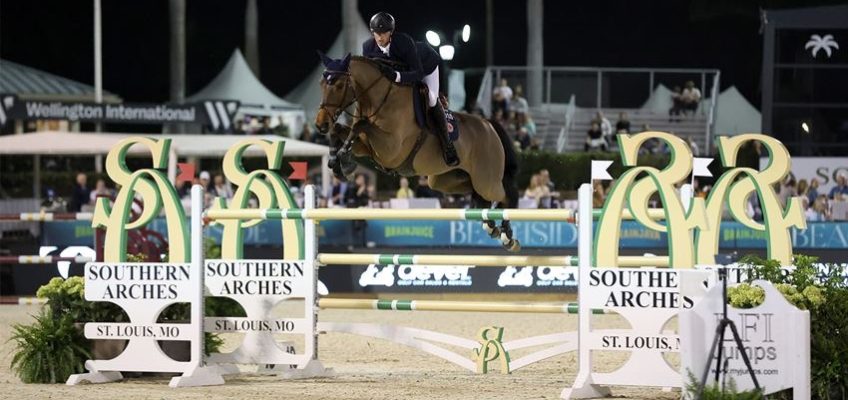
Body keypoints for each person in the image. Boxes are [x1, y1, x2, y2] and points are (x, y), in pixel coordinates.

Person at [362, 12, 458, 166]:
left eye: (384, 33)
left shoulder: (403, 42)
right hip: (401, 72)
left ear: (391, 32)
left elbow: (417, 73)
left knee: (432, 100)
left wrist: (397, 76)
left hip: (425, 66)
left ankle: (448, 146)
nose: (380, 37)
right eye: (376, 33)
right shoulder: (367, 47)